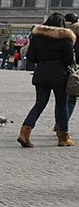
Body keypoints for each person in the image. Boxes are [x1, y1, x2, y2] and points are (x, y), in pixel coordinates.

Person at [17, 13, 76, 148]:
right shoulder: (65, 38)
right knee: (61, 105)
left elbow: (31, 57)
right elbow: (68, 60)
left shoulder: (37, 37)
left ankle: (24, 133)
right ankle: (63, 138)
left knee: (39, 104)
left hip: (41, 73)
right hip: (59, 75)